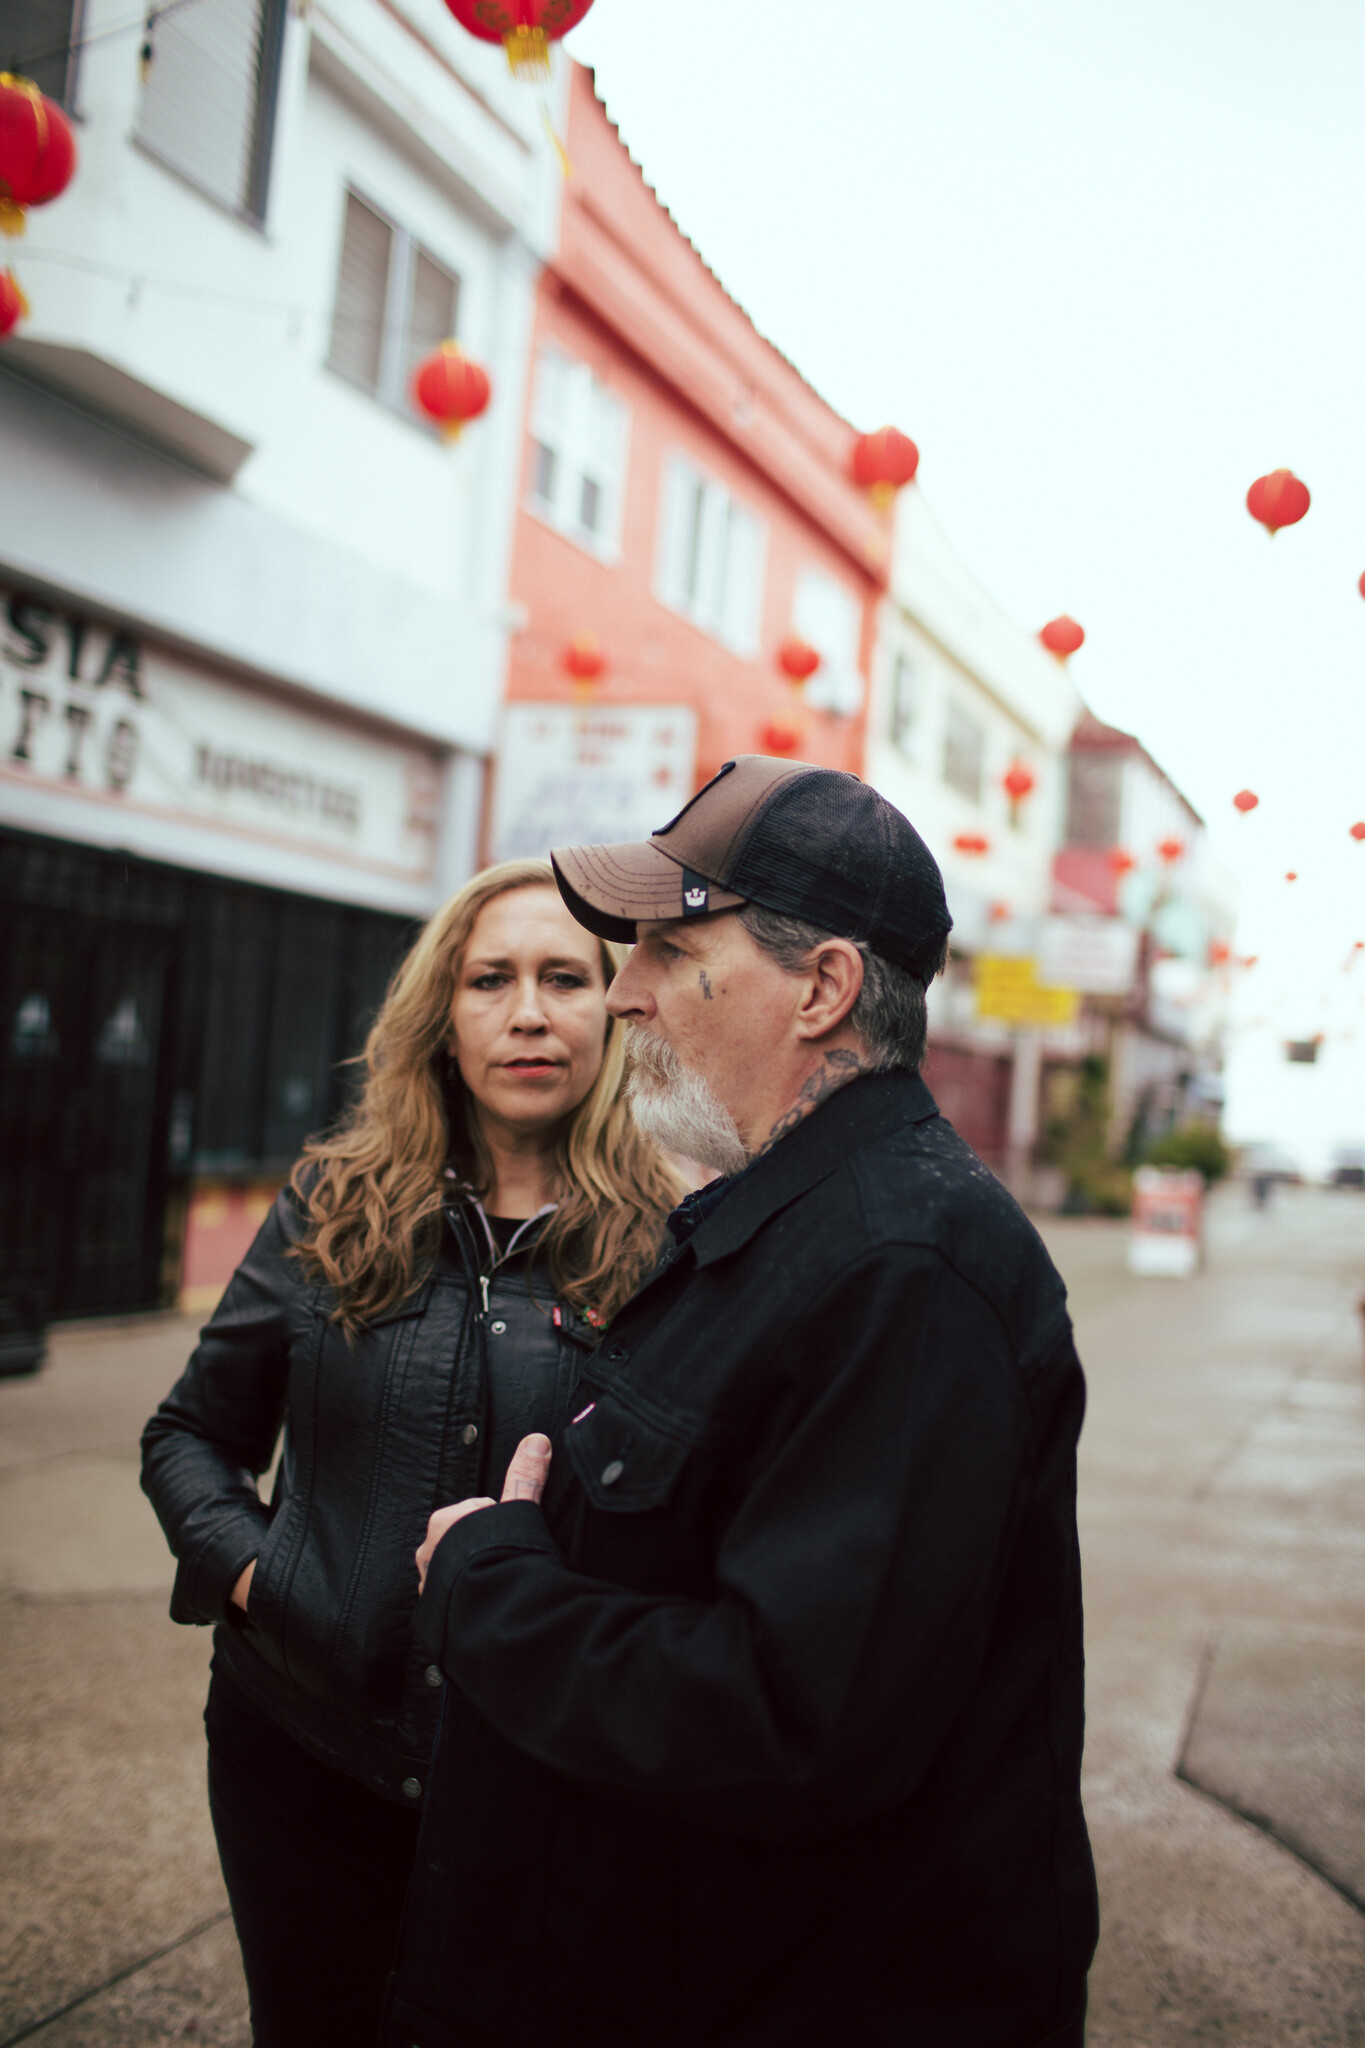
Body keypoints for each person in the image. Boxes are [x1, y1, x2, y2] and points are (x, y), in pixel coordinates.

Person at [389, 756, 1099, 2048]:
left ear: (822, 988)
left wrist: (492, 1590)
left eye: (667, 946)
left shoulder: (906, 1272)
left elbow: (793, 1720)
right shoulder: (785, 1219)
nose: (623, 992)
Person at [140, 858, 682, 2048]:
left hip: (550, 1778)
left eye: (563, 977)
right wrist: (266, 1579)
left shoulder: (670, 1243)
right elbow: (190, 1436)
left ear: (616, 1004)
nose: (528, 1010)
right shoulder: (334, 1202)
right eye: (490, 978)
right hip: (305, 1750)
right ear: (442, 1014)